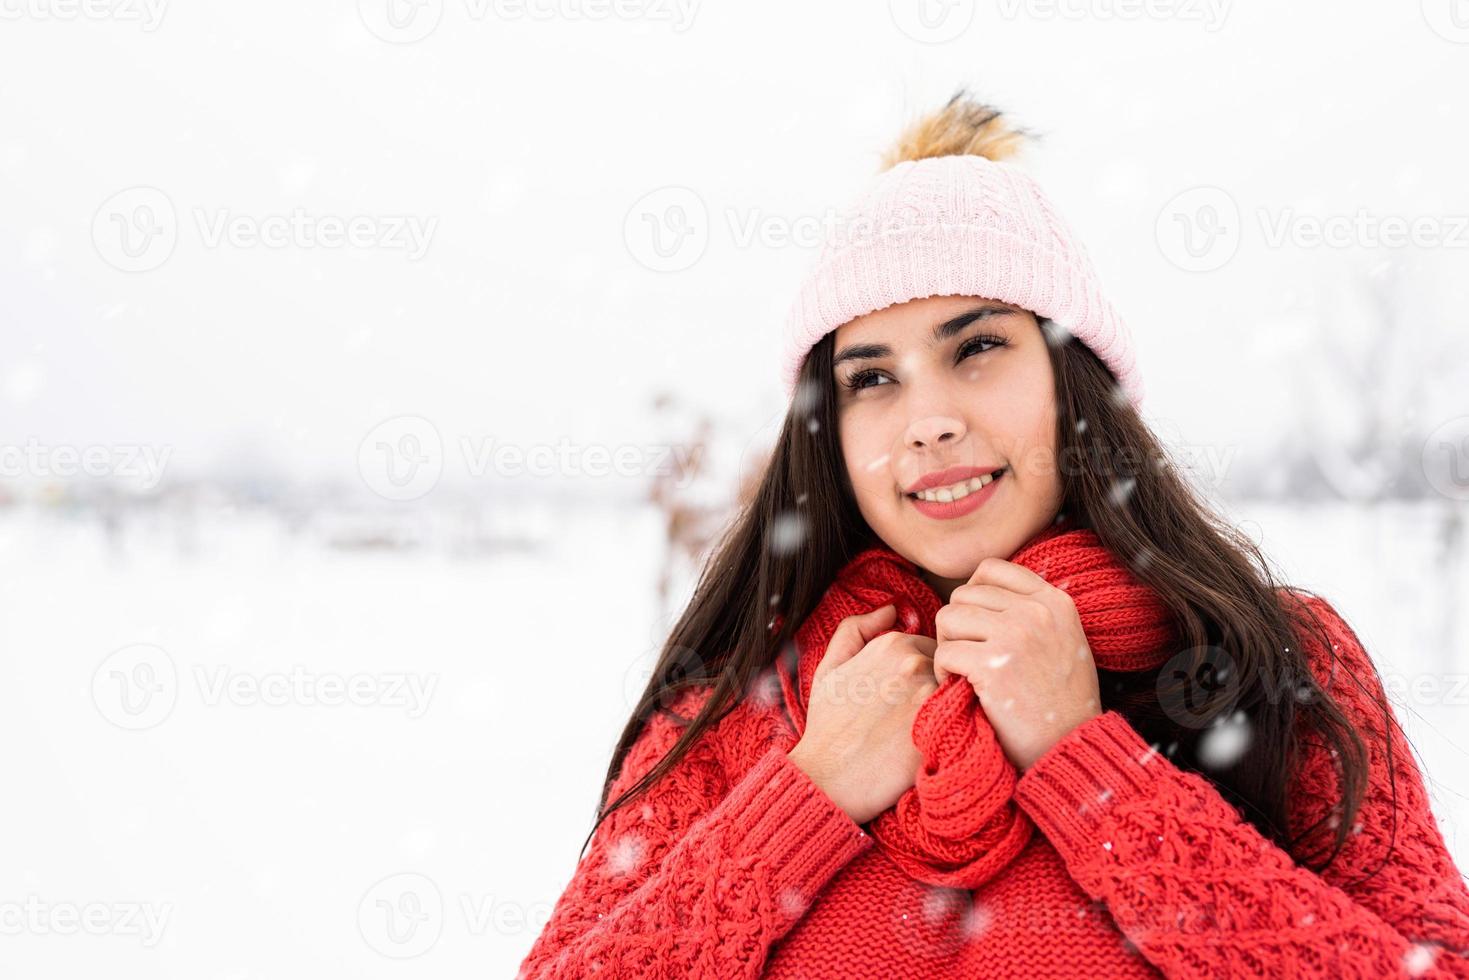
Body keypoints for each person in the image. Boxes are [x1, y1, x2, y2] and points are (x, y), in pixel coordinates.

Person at [516, 89, 1469, 978]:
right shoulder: (736, 706)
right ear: (830, 435)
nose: (925, 419)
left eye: (976, 348)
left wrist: (1095, 770)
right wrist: (802, 798)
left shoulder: (1275, 664)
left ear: (1075, 383)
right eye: (871, 378)